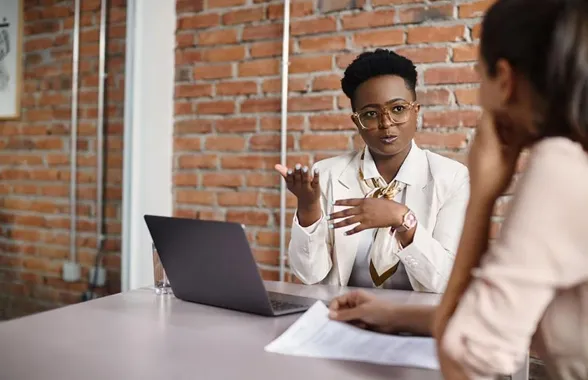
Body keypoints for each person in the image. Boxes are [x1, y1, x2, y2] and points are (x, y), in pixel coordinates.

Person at [327, 0, 588, 379]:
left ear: (504, 79)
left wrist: (482, 195)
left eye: (478, 76)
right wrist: (392, 313)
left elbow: (466, 360)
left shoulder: (560, 167)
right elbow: (516, 318)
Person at [275, 49, 470, 293]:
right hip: (344, 317)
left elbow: (446, 281)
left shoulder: (451, 178)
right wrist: (308, 208)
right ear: (356, 121)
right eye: (370, 114)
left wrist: (402, 220)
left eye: (398, 109)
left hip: (417, 321)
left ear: (416, 111)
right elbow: (309, 276)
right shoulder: (326, 174)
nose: (386, 123)